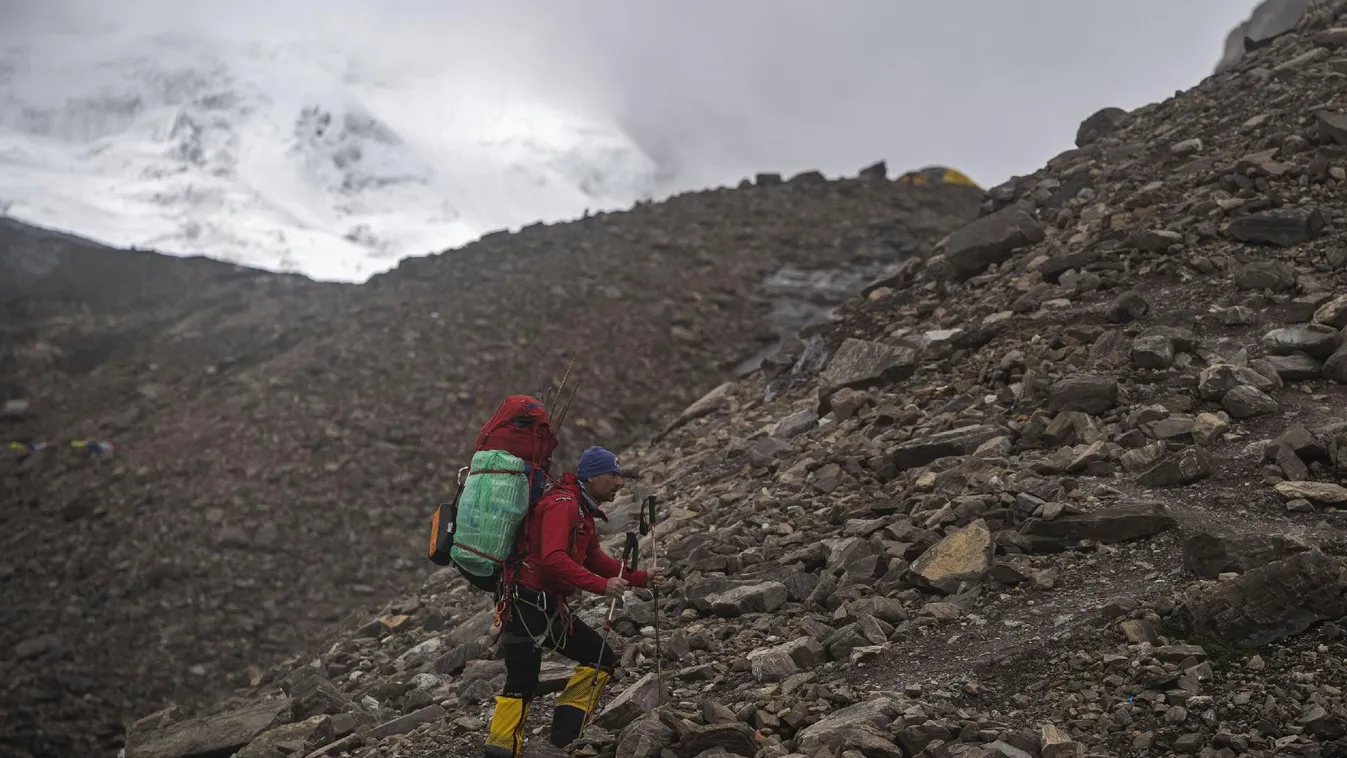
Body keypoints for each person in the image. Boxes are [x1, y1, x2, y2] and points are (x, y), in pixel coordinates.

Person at [483, 446, 665, 758]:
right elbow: (553, 559)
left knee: (599, 657)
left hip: (546, 605)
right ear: (592, 477)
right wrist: (602, 586)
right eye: (612, 475)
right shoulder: (564, 505)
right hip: (526, 603)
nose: (619, 482)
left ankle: (564, 741)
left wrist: (641, 577)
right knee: (522, 680)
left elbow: (594, 559)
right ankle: (500, 750)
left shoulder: (582, 511)